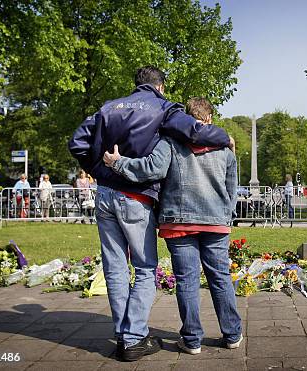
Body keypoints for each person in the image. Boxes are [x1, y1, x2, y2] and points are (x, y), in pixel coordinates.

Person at [68, 67, 231, 362]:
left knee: (115, 267)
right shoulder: (164, 108)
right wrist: (223, 135)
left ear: (137, 85)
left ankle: (124, 333)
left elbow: (77, 142)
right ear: (161, 87)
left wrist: (101, 169)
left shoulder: (108, 107)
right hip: (136, 197)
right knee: (144, 269)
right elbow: (194, 130)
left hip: (104, 194)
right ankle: (133, 339)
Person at [103, 97, 242, 356]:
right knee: (220, 278)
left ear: (187, 118)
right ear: (210, 119)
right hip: (215, 223)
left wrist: (117, 162)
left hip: (178, 223)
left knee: (187, 282)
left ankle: (192, 340)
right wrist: (226, 214)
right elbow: (231, 186)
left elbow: (150, 169)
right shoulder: (224, 149)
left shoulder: (170, 143)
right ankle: (232, 334)